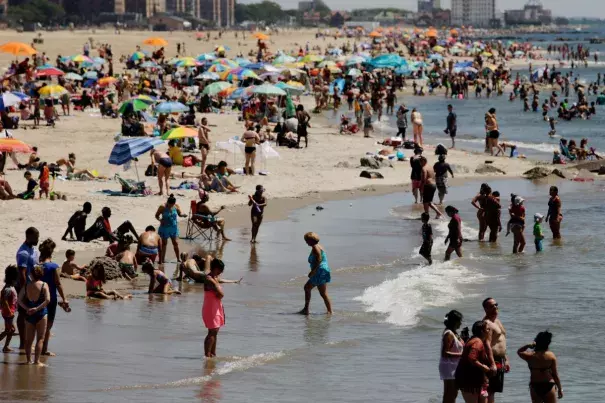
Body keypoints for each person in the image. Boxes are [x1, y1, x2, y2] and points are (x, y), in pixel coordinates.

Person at [38, 238, 68, 357]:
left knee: (37, 323)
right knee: (47, 326)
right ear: (51, 252)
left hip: (37, 297)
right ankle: (44, 350)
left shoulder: (37, 266)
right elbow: (58, 284)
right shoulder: (54, 266)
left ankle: (34, 347)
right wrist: (64, 298)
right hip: (51, 299)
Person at [517, 331, 564, 402]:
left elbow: (519, 352)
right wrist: (560, 389)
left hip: (535, 386)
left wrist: (528, 345)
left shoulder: (530, 356)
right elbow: (555, 375)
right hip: (549, 385)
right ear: (547, 344)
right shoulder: (551, 356)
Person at [17, 265, 50, 366]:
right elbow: (48, 300)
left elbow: (19, 300)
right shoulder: (44, 285)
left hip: (29, 313)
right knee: (40, 338)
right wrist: (37, 308)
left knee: (29, 339)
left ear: (31, 274)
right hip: (41, 313)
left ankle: (28, 360)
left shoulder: (27, 285)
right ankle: (37, 361)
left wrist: (27, 308)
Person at [455, 321, 492, 403]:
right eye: (488, 329)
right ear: (482, 331)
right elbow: (471, 358)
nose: (490, 331)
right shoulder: (477, 342)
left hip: (472, 380)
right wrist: (483, 367)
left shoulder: (474, 339)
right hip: (469, 381)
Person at [16, 227, 39, 350]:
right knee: (22, 314)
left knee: (32, 314)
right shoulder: (23, 253)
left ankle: (28, 341)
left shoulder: (33, 250)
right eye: (36, 237)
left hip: (34, 286)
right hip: (25, 287)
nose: (37, 239)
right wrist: (25, 291)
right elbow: (22, 274)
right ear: (29, 236)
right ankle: (22, 343)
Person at [298, 232, 332, 315]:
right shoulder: (319, 246)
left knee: (307, 288)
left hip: (319, 271)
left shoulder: (315, 248)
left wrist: (313, 271)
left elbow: (319, 260)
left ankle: (306, 310)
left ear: (311, 241)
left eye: (306, 241)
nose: (306, 242)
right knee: (323, 293)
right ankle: (330, 311)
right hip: (324, 270)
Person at [483, 297, 509, 402]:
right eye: (491, 306)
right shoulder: (487, 323)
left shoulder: (497, 321)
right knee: (489, 390)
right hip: (492, 359)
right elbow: (486, 344)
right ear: (486, 309)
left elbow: (501, 341)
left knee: (494, 390)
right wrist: (492, 363)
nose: (495, 307)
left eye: (496, 304)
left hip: (500, 359)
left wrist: (506, 359)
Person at [202, 257, 226, 358]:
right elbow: (221, 294)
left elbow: (219, 295)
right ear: (216, 268)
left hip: (216, 307)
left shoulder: (215, 278)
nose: (221, 272)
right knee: (212, 332)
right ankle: (207, 356)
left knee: (214, 332)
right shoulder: (209, 279)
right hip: (210, 308)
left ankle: (213, 354)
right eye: (220, 270)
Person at [155, 194, 187, 264]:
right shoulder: (162, 207)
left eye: (172, 205)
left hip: (173, 228)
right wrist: (160, 220)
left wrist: (183, 215)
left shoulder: (176, 206)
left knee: (175, 243)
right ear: (167, 202)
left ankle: (178, 259)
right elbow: (156, 215)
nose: (171, 206)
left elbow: (180, 214)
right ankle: (162, 259)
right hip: (164, 228)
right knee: (164, 244)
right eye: (169, 205)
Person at [441, 310, 465, 403]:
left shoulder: (454, 332)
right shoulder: (448, 333)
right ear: (455, 321)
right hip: (449, 366)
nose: (461, 323)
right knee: (450, 393)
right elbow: (445, 353)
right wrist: (462, 355)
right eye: (460, 321)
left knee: (453, 393)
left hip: (455, 365)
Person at [0, 265, 18, 352]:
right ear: (12, 279)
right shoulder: (7, 289)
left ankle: (6, 347)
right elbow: (4, 300)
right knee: (9, 330)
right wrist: (9, 311)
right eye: (16, 280)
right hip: (8, 313)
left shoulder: (11, 287)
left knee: (11, 330)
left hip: (9, 312)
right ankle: (5, 346)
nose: (17, 282)